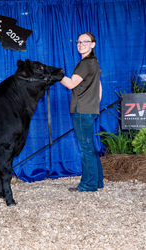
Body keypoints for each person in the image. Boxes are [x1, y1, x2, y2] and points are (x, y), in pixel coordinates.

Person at [60, 32, 104, 192]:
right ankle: (97, 180)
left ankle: (88, 184)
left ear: (93, 44)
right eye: (78, 42)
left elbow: (71, 84)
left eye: (85, 41)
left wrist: (57, 75)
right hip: (90, 110)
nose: (81, 44)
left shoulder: (85, 63)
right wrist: (95, 106)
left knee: (85, 148)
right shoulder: (95, 62)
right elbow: (99, 86)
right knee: (90, 146)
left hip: (82, 110)